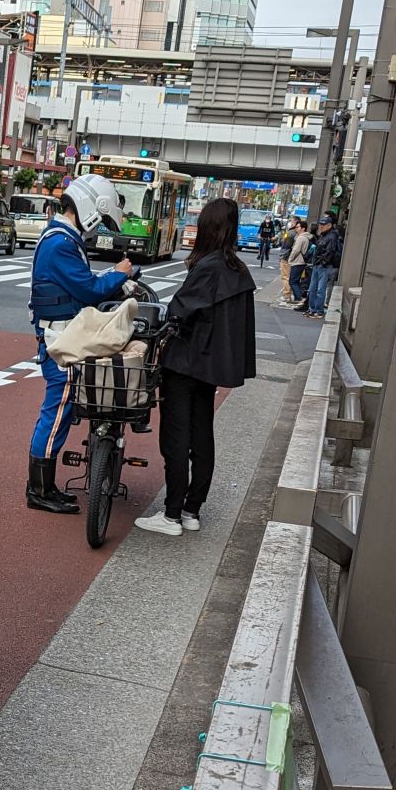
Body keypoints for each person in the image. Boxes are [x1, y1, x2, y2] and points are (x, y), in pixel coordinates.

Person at [135, 197, 256, 538]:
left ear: (208, 227)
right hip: (213, 366)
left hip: (186, 361)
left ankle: (171, 514)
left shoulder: (208, 266)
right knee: (202, 435)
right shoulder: (238, 269)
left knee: (176, 435)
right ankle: (191, 510)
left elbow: (179, 309)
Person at [26, 173, 133, 514]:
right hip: (61, 339)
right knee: (57, 410)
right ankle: (39, 489)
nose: (97, 228)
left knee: (60, 408)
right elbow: (88, 289)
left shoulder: (60, 238)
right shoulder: (61, 243)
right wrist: (120, 273)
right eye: (100, 220)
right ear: (89, 208)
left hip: (60, 333)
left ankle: (44, 486)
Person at [306, 214, 342, 320]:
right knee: (313, 289)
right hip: (319, 265)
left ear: (329, 225)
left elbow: (329, 251)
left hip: (324, 266)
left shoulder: (331, 236)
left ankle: (318, 310)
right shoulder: (324, 235)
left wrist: (322, 262)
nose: (321, 226)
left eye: (323, 224)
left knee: (319, 289)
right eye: (320, 224)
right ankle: (313, 309)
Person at [285, 217, 312, 308]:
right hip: (302, 262)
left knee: (292, 281)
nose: (296, 228)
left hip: (297, 261)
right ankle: (299, 297)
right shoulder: (306, 237)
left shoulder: (301, 238)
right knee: (296, 281)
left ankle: (298, 298)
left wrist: (290, 259)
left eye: (298, 227)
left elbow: (295, 250)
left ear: (303, 228)